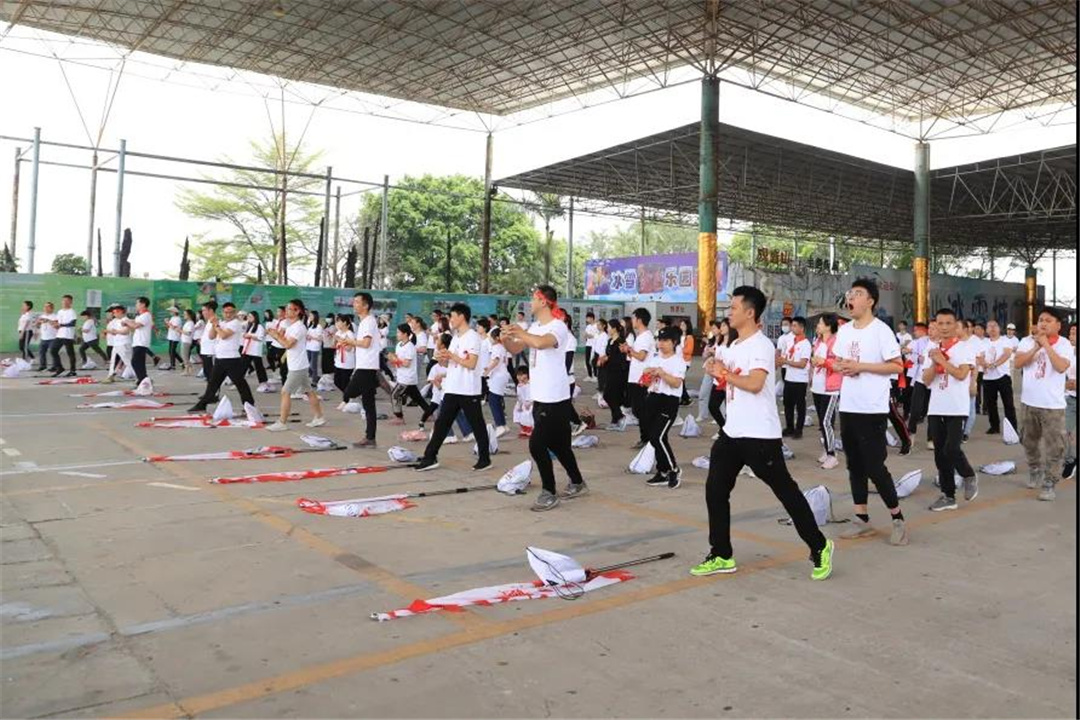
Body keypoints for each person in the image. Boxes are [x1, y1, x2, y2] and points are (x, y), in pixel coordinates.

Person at [690, 285, 834, 581]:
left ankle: (819, 546)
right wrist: (712, 366)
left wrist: (724, 374)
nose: (728, 313)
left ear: (750, 312)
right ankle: (721, 553)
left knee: (786, 492)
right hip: (732, 432)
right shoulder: (732, 344)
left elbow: (755, 384)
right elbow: (722, 370)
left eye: (733, 308)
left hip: (760, 435)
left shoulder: (762, 346)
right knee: (715, 491)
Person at [833, 278, 909, 546]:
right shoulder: (844, 332)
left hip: (872, 408)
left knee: (875, 467)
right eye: (850, 293)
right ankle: (861, 518)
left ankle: (897, 518)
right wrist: (840, 366)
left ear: (871, 301)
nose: (851, 298)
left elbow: (897, 366)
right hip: (849, 405)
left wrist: (860, 366)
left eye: (858, 293)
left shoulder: (881, 331)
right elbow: (840, 361)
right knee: (854, 465)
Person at [502, 286, 587, 511]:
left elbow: (540, 343)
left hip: (555, 397)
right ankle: (577, 482)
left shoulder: (558, 327)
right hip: (541, 396)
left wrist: (520, 333)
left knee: (537, 444)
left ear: (543, 301)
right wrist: (506, 339)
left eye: (533, 298)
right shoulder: (535, 326)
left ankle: (549, 491)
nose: (530, 302)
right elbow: (515, 347)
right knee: (560, 446)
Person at [415, 302, 492, 472]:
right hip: (452, 387)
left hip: (468, 389)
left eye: (452, 316)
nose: (450, 319)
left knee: (477, 424)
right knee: (442, 423)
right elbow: (451, 362)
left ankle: (485, 458)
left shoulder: (472, 337)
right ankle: (430, 456)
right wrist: (442, 357)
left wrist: (451, 356)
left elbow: (471, 364)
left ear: (462, 316)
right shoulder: (456, 337)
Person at [923, 309, 979, 511]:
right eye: (940, 323)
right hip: (936, 407)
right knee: (940, 454)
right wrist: (933, 362)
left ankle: (968, 474)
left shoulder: (964, 348)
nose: (944, 327)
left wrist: (942, 360)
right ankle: (948, 495)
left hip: (957, 407)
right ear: (935, 325)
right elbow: (926, 380)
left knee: (952, 448)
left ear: (956, 326)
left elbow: (962, 374)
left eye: (949, 323)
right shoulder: (931, 348)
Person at [1014, 307, 1072, 501]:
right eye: (1040, 320)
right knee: (1028, 441)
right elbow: (1018, 363)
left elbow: (1062, 366)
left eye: (1048, 320)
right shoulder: (1026, 341)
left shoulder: (1064, 344)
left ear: (1058, 325)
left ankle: (1049, 482)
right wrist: (1036, 347)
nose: (1043, 323)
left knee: (1055, 446)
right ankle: (1034, 469)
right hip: (1029, 402)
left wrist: (1046, 345)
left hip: (1052, 406)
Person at [264, 299, 326, 431]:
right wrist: (277, 336)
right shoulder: (291, 326)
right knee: (309, 391)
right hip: (298, 363)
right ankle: (319, 417)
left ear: (297, 311)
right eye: (286, 309)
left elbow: (287, 344)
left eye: (289, 309)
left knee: (285, 392)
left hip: (297, 366)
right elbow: (286, 344)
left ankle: (282, 422)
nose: (286, 312)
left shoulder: (299, 327)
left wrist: (275, 335)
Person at [188, 302, 256, 412]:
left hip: (232, 359)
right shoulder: (222, 322)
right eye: (226, 312)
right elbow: (211, 336)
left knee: (240, 383)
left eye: (231, 312)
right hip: (220, 358)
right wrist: (215, 324)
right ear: (222, 312)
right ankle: (203, 404)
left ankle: (249, 405)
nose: (228, 314)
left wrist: (217, 325)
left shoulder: (235, 323)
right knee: (213, 383)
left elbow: (224, 335)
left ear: (235, 312)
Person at [643, 326, 686, 489]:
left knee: (657, 437)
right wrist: (648, 373)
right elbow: (646, 379)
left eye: (665, 341)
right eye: (659, 340)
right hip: (653, 397)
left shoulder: (678, 361)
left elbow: (676, 383)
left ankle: (673, 469)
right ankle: (662, 471)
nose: (661, 344)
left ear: (674, 342)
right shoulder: (655, 358)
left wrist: (661, 373)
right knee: (656, 437)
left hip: (668, 401)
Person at [810, 313, 841, 470]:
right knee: (821, 421)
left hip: (830, 387)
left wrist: (824, 362)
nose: (818, 326)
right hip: (817, 385)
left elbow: (838, 363)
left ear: (828, 326)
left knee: (826, 421)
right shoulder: (817, 341)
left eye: (820, 323)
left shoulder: (836, 342)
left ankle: (832, 455)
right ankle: (826, 449)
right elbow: (815, 359)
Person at [388, 323, 433, 425]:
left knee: (395, 395)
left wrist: (395, 359)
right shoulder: (399, 345)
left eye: (399, 332)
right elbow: (398, 357)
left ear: (405, 334)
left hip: (407, 378)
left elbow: (407, 363)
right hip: (402, 377)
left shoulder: (410, 347)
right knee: (417, 398)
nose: (397, 334)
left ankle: (399, 417)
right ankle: (430, 414)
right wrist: (392, 357)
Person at [624, 308, 655, 449]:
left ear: (639, 320)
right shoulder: (640, 336)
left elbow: (641, 356)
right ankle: (646, 438)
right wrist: (629, 351)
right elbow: (637, 357)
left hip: (641, 379)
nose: (632, 321)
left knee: (640, 410)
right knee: (638, 410)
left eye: (633, 318)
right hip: (636, 377)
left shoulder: (646, 337)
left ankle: (647, 439)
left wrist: (629, 350)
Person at [981, 319, 1018, 435]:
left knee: (1008, 403)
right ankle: (994, 426)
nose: (992, 328)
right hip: (988, 378)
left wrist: (995, 364)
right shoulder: (984, 342)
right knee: (990, 404)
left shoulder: (1005, 341)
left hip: (1003, 376)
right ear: (986, 330)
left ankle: (1012, 428)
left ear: (999, 328)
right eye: (989, 326)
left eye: (995, 326)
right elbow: (980, 356)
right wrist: (984, 364)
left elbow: (1007, 354)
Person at [778, 316, 811, 438]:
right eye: (792, 325)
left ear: (802, 328)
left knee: (800, 405)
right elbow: (786, 356)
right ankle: (789, 427)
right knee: (788, 404)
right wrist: (782, 361)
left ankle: (799, 429)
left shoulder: (805, 344)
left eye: (795, 326)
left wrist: (786, 362)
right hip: (789, 378)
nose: (792, 328)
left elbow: (802, 364)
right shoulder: (791, 341)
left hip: (800, 380)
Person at [600, 319, 629, 429]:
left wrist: (609, 358)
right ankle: (615, 419)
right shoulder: (610, 341)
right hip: (609, 371)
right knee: (610, 395)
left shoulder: (621, 341)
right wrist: (604, 359)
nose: (607, 329)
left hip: (618, 373)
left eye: (608, 327)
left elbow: (621, 359)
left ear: (614, 328)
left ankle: (619, 416)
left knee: (609, 395)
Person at [485, 327, 511, 437]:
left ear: (496, 338)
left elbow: (495, 360)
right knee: (497, 400)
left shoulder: (496, 347)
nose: (490, 340)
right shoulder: (503, 347)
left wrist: (487, 370)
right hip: (503, 375)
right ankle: (503, 425)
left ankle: (500, 425)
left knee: (493, 400)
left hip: (497, 376)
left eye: (491, 337)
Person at [102, 303, 133, 383]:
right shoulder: (115, 320)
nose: (113, 314)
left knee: (128, 362)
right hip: (116, 343)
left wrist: (115, 331)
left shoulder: (126, 320)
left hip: (124, 343)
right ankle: (110, 376)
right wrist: (111, 331)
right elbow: (110, 330)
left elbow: (125, 331)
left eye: (115, 312)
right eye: (113, 312)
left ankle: (142, 377)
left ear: (120, 311)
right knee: (113, 360)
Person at [50, 294, 78, 376]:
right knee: (53, 350)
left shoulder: (72, 312)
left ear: (71, 302)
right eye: (63, 301)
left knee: (70, 353)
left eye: (67, 301)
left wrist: (60, 325)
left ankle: (73, 370)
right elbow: (58, 322)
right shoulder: (60, 311)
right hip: (60, 334)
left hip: (68, 335)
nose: (65, 302)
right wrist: (54, 324)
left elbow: (73, 323)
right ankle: (59, 368)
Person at [242, 311, 269, 389]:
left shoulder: (259, 326)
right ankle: (238, 381)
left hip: (255, 350)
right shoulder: (249, 326)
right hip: (247, 349)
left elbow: (260, 337)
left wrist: (250, 336)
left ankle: (263, 382)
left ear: (255, 317)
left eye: (251, 317)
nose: (249, 318)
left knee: (259, 367)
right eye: (248, 317)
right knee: (243, 366)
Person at [1064, 324, 1077, 481]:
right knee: (1064, 431)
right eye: (1071, 332)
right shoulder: (1068, 353)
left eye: (1074, 333)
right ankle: (1069, 461)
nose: (1071, 335)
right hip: (1070, 399)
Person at [195, 302, 215, 384]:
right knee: (207, 373)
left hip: (210, 351)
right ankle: (209, 394)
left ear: (210, 310)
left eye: (204, 310)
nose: (202, 313)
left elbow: (212, 336)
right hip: (205, 350)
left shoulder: (214, 321)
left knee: (210, 374)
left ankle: (213, 394)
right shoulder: (209, 322)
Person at [35, 302, 57, 372]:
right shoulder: (42, 316)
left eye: (47, 307)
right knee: (41, 352)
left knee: (53, 352)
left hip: (53, 337)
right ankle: (43, 366)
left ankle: (54, 366)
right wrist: (38, 323)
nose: (45, 308)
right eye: (44, 307)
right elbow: (37, 326)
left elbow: (56, 325)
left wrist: (48, 320)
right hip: (43, 337)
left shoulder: (55, 316)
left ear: (52, 308)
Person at [512, 365, 534, 436]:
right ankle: (523, 428)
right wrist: (520, 404)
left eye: (522, 375)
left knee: (527, 414)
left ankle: (529, 428)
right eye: (518, 375)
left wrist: (529, 403)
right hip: (522, 402)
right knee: (517, 412)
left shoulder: (531, 384)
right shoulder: (519, 385)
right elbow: (520, 396)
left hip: (530, 402)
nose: (519, 377)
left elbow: (532, 395)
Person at [678, 319, 695, 406]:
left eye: (684, 325)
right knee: (681, 380)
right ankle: (685, 398)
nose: (682, 327)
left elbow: (689, 350)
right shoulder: (679, 336)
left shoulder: (689, 337)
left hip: (685, 361)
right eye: (681, 325)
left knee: (680, 379)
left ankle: (686, 398)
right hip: (678, 361)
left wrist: (681, 349)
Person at [304, 310, 323, 384]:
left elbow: (320, 338)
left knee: (313, 365)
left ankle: (314, 380)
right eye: (310, 316)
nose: (310, 317)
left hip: (315, 348)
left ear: (315, 316)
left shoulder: (319, 326)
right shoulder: (310, 325)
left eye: (311, 316)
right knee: (307, 363)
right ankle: (313, 376)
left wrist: (311, 337)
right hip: (308, 347)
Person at [179, 309, 196, 376]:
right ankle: (188, 368)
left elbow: (188, 332)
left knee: (185, 356)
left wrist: (180, 330)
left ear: (189, 315)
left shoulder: (190, 323)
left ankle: (187, 370)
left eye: (185, 314)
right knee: (184, 356)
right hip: (184, 341)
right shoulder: (187, 323)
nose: (184, 315)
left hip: (187, 341)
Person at [583, 311, 597, 381]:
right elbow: (585, 334)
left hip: (594, 345)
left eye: (588, 318)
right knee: (587, 360)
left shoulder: (596, 325)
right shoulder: (588, 326)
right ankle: (589, 375)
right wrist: (586, 336)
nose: (587, 320)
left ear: (592, 318)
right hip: (588, 344)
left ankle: (595, 376)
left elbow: (597, 335)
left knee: (593, 360)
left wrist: (590, 336)